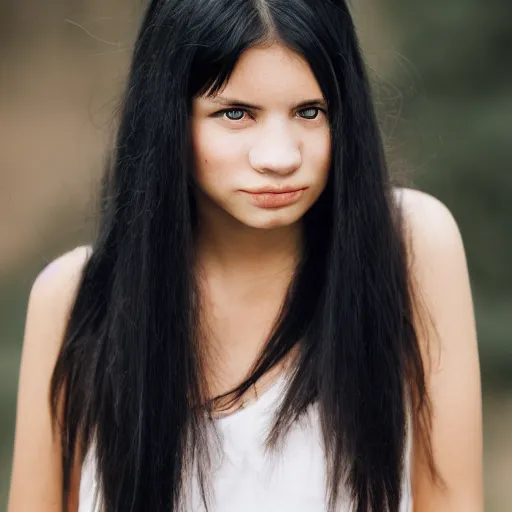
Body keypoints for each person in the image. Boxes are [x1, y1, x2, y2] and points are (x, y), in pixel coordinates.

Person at [7, 0, 483, 511]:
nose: (279, 157)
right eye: (235, 113)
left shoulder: (408, 246)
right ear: (168, 117)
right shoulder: (74, 298)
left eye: (310, 112)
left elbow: (452, 500)